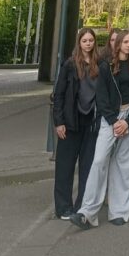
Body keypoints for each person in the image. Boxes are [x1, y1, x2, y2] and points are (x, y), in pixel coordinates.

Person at [70, 29, 129, 229]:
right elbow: (101, 97)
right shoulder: (106, 66)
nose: (128, 45)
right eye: (125, 42)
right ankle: (87, 212)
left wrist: (128, 121)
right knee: (99, 161)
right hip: (109, 119)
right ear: (118, 44)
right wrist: (114, 121)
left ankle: (119, 211)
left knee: (124, 165)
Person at [53, 27, 100, 219]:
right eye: (84, 40)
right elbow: (59, 95)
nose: (88, 44)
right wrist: (59, 122)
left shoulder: (99, 64)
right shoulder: (70, 65)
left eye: (91, 40)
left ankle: (82, 206)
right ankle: (63, 207)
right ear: (79, 43)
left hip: (91, 122)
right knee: (65, 166)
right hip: (71, 121)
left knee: (87, 166)